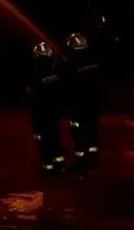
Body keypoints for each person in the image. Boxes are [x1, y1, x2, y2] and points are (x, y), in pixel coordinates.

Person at [61, 32, 100, 170]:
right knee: (91, 129)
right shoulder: (93, 61)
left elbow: (69, 86)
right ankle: (92, 157)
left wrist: (67, 107)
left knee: (78, 132)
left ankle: (81, 160)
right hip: (93, 104)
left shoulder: (72, 64)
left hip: (78, 106)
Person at [30, 41, 66, 173]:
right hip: (54, 112)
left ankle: (48, 167)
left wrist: (35, 123)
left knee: (44, 141)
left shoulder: (37, 74)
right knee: (55, 138)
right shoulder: (55, 71)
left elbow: (34, 98)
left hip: (42, 114)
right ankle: (61, 164)